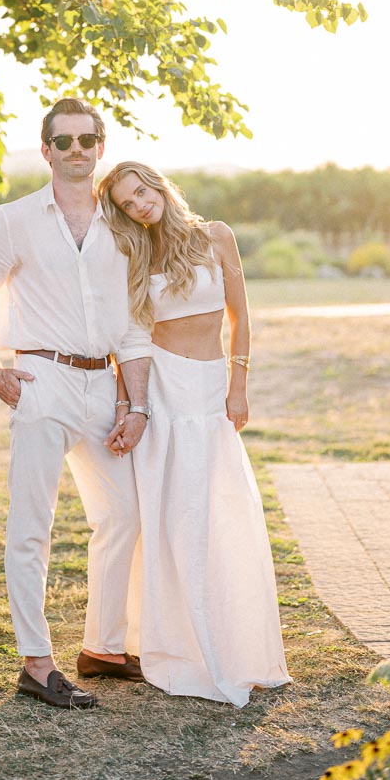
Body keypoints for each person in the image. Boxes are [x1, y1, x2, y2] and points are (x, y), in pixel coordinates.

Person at [0, 99, 153, 710]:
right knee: (31, 529)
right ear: (45, 150)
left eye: (88, 140)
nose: (76, 150)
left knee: (123, 515)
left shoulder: (122, 225)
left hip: (105, 388)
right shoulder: (14, 220)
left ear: (100, 146)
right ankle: (37, 663)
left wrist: (135, 404)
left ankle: (104, 647)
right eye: (63, 141)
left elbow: (135, 325)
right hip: (41, 382)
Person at [98, 161, 291, 707]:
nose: (139, 205)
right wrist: (128, 403)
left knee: (220, 512)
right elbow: (128, 336)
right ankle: (178, 645)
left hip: (209, 391)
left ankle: (233, 644)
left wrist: (239, 385)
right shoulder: (135, 253)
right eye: (127, 203)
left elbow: (240, 316)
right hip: (160, 390)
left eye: (141, 192)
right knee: (171, 518)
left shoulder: (216, 236)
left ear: (159, 186)